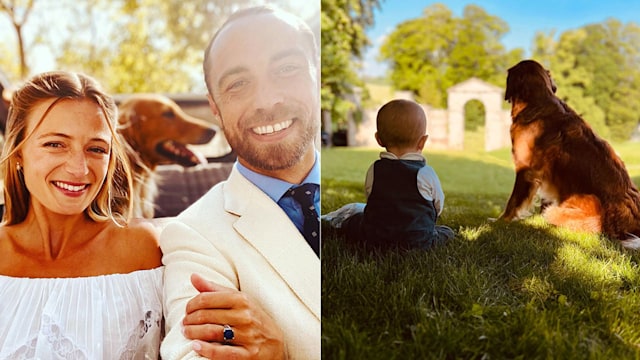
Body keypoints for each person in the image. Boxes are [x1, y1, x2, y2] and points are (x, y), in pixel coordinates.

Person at [160, 5, 320, 360]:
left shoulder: (378, 191)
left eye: (287, 69)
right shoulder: (195, 234)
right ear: (215, 107)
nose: (267, 101)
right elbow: (190, 351)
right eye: (238, 84)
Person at [0, 71, 163, 359]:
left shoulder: (143, 250)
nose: (79, 169)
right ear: (18, 153)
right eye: (55, 144)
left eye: (96, 149)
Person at [323, 99, 454, 251]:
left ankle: (337, 221)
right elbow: (438, 205)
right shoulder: (425, 173)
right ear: (422, 142)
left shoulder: (375, 169)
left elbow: (371, 201)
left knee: (355, 221)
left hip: (375, 238)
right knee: (446, 232)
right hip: (417, 242)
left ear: (378, 139)